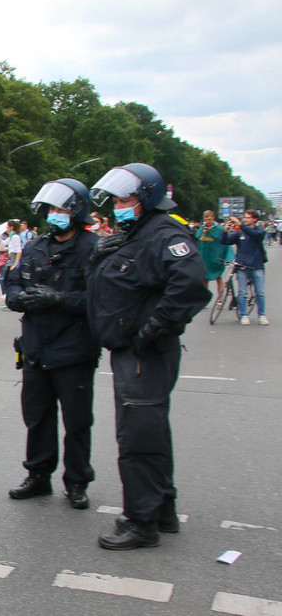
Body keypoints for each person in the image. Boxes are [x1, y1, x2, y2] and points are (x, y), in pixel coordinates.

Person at [88, 163, 211, 549]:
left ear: (147, 199)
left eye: (126, 200)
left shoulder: (164, 232)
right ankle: (162, 510)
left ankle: (142, 521)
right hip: (132, 349)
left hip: (144, 351)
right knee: (150, 431)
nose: (119, 206)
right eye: (117, 200)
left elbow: (190, 283)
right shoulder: (137, 232)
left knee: (138, 436)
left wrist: (156, 326)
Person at [5, 179, 100, 510]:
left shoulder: (93, 249)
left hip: (73, 350)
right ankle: (38, 476)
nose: (55, 215)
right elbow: (13, 280)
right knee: (37, 417)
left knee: (76, 422)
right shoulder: (36, 246)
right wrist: (15, 296)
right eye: (52, 209)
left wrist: (60, 299)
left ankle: (76, 481)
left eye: (62, 209)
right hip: (35, 348)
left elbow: (99, 300)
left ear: (77, 211)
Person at [220, 209, 268, 325]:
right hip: (242, 265)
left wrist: (240, 224)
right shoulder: (240, 233)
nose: (245, 219)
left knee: (260, 292)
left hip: (256, 265)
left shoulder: (259, 231)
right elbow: (225, 241)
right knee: (242, 292)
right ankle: (244, 315)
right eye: (245, 217)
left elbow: (254, 234)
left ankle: (262, 314)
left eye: (248, 217)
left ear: (255, 219)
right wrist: (225, 231)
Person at [195, 210, 228, 297]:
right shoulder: (201, 229)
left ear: (213, 218)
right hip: (204, 258)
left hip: (215, 258)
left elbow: (224, 243)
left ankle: (220, 300)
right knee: (205, 279)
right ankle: (204, 298)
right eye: (206, 219)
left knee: (218, 278)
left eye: (209, 219)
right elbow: (197, 240)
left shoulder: (220, 229)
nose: (207, 222)